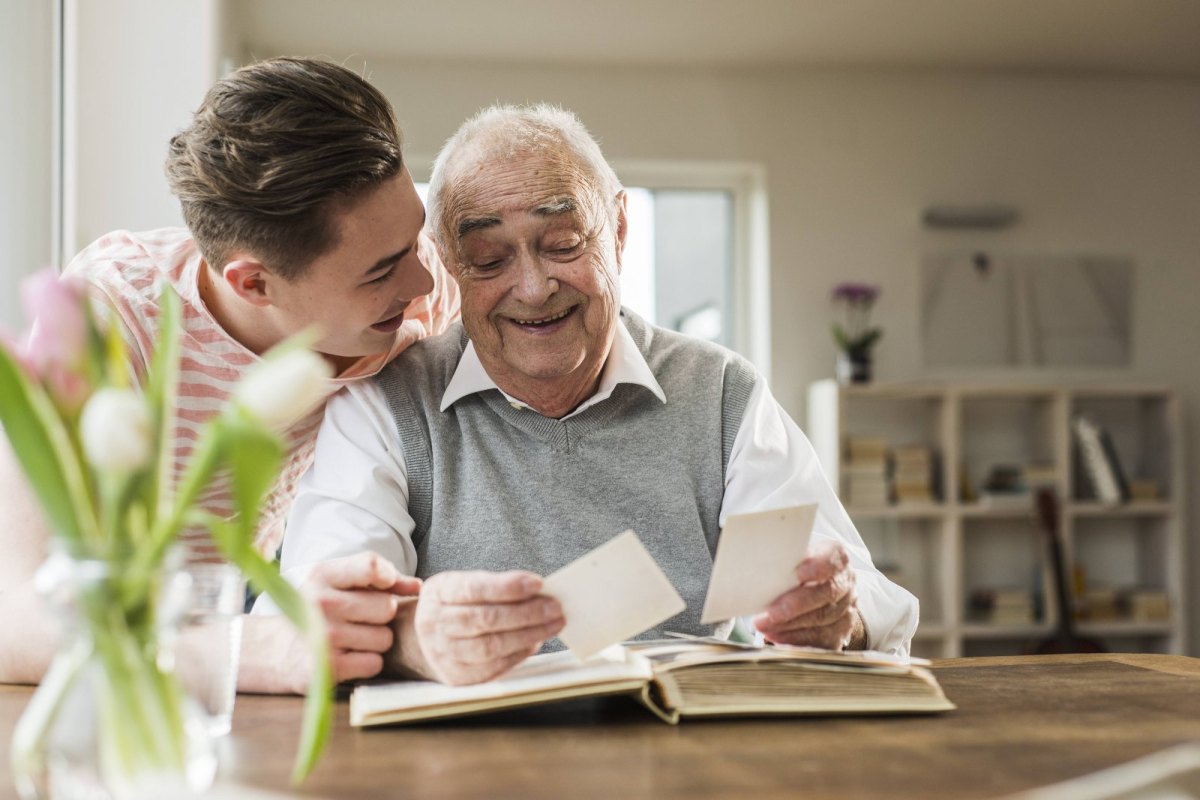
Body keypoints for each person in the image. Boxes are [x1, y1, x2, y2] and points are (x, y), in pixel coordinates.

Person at [274, 104, 917, 686]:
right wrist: (417, 639)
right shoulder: (384, 401)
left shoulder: (719, 391)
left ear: (618, 228)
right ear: (446, 262)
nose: (532, 288)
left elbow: (867, 599)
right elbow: (319, 608)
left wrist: (837, 611)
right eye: (488, 258)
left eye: (562, 245)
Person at [0, 57, 460, 693]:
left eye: (415, 241)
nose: (425, 282)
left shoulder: (416, 299)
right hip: (133, 659)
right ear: (254, 282)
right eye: (381, 271)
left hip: (256, 611)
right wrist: (262, 649)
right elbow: (15, 622)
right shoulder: (112, 316)